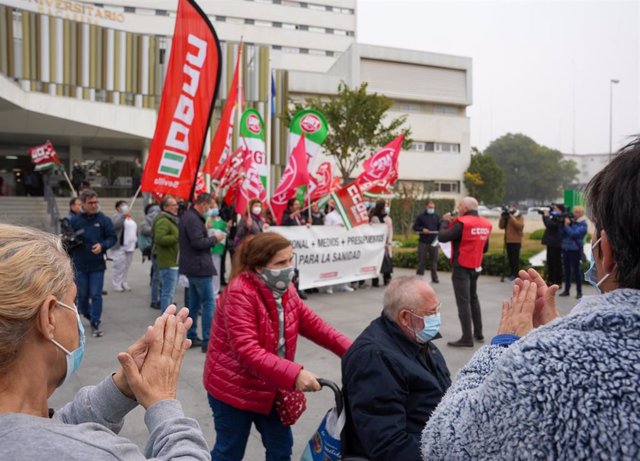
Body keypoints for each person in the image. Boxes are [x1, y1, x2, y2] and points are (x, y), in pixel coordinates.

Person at [420, 137, 640, 460]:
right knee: (473, 302)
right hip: (477, 266)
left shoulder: (544, 362)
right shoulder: (482, 221)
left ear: (605, 252)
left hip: (463, 267)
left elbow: (443, 444)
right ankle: (473, 331)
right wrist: (561, 328)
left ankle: (471, 334)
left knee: (467, 303)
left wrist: (503, 345)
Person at [0, 223, 210, 460]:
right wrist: (163, 402)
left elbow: (44, 429)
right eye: (73, 302)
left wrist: (121, 387)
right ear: (49, 317)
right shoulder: (95, 453)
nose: (76, 314)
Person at [204, 232, 352, 461]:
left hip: (272, 387)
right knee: (229, 452)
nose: (289, 267)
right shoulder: (239, 293)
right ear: (259, 266)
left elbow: (315, 325)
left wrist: (355, 351)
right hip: (233, 389)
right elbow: (247, 351)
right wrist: (295, 374)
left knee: (281, 450)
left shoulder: (285, 290)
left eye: (291, 259)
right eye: (281, 263)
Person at [342, 276, 450, 461]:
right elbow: (388, 444)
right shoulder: (375, 358)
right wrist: (450, 451)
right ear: (405, 317)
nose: (437, 317)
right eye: (431, 312)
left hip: (440, 436)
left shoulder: (418, 340)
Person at [439, 196, 492, 347]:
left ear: (465, 208)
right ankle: (478, 333)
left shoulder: (463, 223)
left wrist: (445, 221)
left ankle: (467, 338)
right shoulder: (485, 224)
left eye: (460, 206)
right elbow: (485, 248)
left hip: (461, 266)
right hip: (476, 265)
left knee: (463, 301)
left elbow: (442, 237)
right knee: (473, 298)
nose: (458, 209)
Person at [69, 190, 116, 337]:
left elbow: (112, 238)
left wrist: (103, 246)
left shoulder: (104, 220)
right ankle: (88, 314)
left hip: (97, 265)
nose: (94, 205)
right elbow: (66, 241)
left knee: (96, 295)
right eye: (90, 203)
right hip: (80, 264)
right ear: (82, 203)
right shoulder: (75, 220)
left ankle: (95, 321)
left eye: (96, 202)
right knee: (82, 296)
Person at [178, 192, 218, 352]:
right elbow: (198, 242)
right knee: (209, 303)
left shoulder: (189, 217)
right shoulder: (193, 218)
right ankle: (208, 340)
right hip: (199, 267)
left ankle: (192, 336)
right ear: (202, 204)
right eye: (209, 206)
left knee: (193, 305)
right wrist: (215, 239)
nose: (210, 209)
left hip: (192, 267)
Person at [154, 196, 180, 313]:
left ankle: (167, 315)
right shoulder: (163, 220)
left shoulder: (170, 219)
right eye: (173, 205)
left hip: (172, 260)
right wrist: (176, 237)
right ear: (165, 207)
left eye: (176, 205)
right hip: (168, 261)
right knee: (167, 292)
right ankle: (165, 317)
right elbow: (159, 238)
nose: (176, 207)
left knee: (169, 291)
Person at [560, 205, 588, 299]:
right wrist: (562, 224)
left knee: (576, 271)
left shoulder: (583, 224)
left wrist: (567, 226)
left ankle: (579, 291)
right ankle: (566, 290)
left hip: (575, 250)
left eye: (577, 212)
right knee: (566, 270)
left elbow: (574, 234)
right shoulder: (572, 222)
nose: (575, 214)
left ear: (581, 214)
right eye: (574, 212)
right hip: (566, 248)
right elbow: (561, 233)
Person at [110, 200, 137, 292]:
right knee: (118, 266)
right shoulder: (116, 216)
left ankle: (124, 282)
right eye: (122, 205)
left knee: (126, 266)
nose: (125, 206)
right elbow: (115, 225)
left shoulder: (130, 218)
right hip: (119, 246)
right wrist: (123, 215)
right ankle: (116, 284)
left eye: (126, 205)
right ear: (118, 208)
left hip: (130, 246)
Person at [140, 201, 162, 309]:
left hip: (156, 250)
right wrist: (156, 231)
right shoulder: (153, 217)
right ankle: (155, 299)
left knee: (157, 275)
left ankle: (159, 298)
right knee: (157, 277)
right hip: (156, 249)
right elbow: (144, 229)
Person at [413, 201, 441, 283]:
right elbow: (415, 227)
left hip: (434, 242)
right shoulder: (420, 217)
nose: (431, 209)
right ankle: (419, 277)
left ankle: (434, 277)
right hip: (423, 242)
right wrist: (422, 229)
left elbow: (440, 228)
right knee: (421, 260)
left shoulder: (436, 216)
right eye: (430, 207)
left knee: (434, 261)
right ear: (426, 207)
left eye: (433, 207)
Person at [206, 198, 228, 297]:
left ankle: (215, 291)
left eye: (214, 206)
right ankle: (208, 291)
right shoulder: (205, 219)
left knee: (216, 271)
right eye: (210, 207)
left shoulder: (221, 222)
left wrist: (227, 228)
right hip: (206, 249)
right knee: (206, 272)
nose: (212, 208)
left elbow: (225, 232)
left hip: (217, 249)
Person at [369, 199, 393, 287]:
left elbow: (390, 231)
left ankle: (387, 278)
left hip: (387, 244)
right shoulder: (375, 218)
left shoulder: (388, 218)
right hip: (378, 245)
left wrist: (389, 241)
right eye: (385, 205)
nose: (386, 207)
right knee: (377, 262)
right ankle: (375, 280)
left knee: (387, 262)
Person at [498, 204, 524, 281]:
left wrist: (511, 217)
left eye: (513, 207)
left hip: (516, 241)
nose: (511, 208)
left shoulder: (519, 216)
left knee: (515, 258)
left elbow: (519, 226)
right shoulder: (507, 217)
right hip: (508, 240)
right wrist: (503, 217)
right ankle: (511, 273)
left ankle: (515, 274)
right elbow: (501, 226)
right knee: (510, 258)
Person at [541, 204, 564, 286]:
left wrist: (546, 216)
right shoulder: (554, 216)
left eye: (556, 208)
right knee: (550, 262)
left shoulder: (560, 217)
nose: (554, 210)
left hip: (556, 243)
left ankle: (557, 281)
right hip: (551, 243)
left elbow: (551, 225)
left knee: (556, 263)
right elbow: (548, 224)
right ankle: (551, 280)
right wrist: (544, 216)